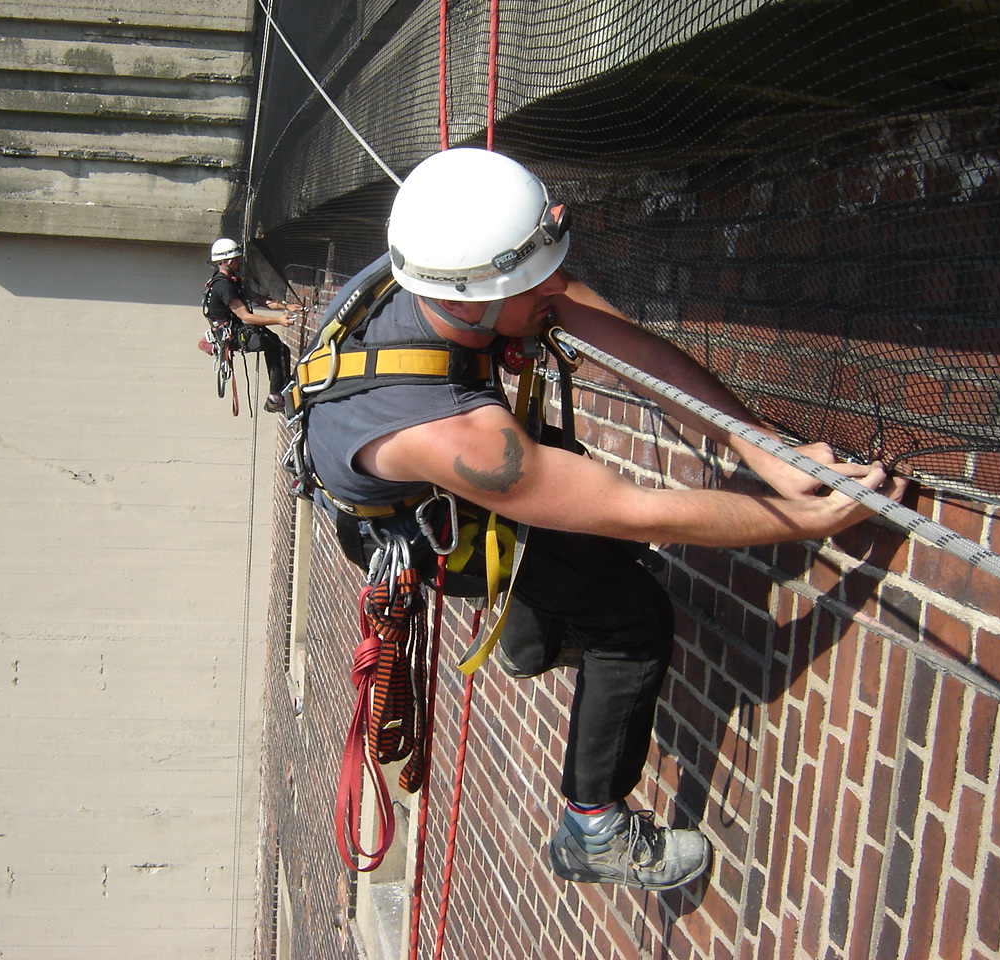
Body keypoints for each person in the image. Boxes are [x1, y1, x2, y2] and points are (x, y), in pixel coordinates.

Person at [300, 149, 908, 891]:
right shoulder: (453, 433)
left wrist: (765, 451)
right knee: (631, 615)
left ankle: (531, 638)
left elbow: (632, 349)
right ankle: (592, 830)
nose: (557, 287)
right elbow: (634, 509)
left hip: (431, 470)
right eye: (537, 284)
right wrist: (808, 519)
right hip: (430, 531)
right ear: (466, 305)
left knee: (567, 539)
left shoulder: (456, 257)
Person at [205, 238, 301, 412]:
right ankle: (276, 398)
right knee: (278, 348)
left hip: (235, 330)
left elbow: (259, 299)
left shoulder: (232, 282)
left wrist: (285, 306)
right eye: (236, 259)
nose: (239, 262)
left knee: (275, 345)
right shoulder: (224, 286)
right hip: (233, 335)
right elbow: (246, 317)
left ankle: (278, 394)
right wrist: (279, 320)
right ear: (225, 262)